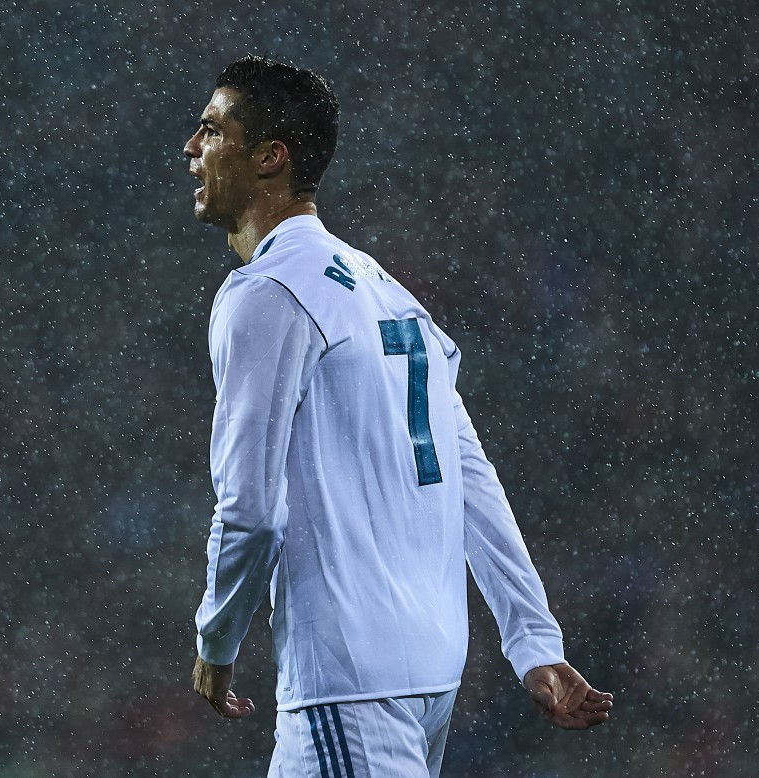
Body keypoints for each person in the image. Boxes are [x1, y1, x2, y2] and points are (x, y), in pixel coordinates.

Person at [186, 55, 612, 777]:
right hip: (428, 670)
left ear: (269, 157)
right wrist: (533, 640)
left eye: (212, 130)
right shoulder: (388, 294)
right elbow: (471, 478)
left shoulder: (269, 292)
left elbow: (250, 509)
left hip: (348, 678)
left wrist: (216, 640)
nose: (191, 148)